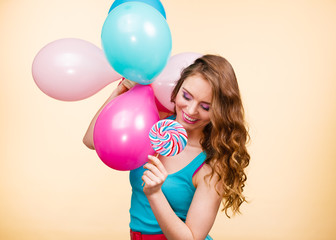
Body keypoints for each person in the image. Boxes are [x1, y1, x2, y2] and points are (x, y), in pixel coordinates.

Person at [83, 55, 250, 240]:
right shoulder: (156, 121)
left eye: (205, 107)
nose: (191, 110)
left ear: (219, 111)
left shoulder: (211, 165)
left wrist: (155, 194)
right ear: (177, 89)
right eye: (186, 96)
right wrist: (119, 92)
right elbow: (91, 140)